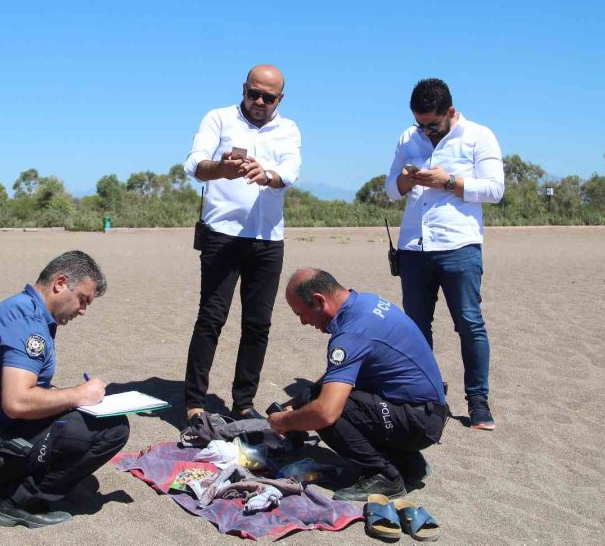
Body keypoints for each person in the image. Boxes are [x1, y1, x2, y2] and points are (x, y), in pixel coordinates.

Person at [0, 250, 130, 528]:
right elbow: (18, 402)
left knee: (76, 412)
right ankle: (14, 502)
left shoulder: (22, 308)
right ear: (60, 283)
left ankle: (2, 481)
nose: (83, 311)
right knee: (114, 428)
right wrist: (78, 394)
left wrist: (68, 398)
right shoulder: (28, 322)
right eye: (82, 300)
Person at [183, 64, 302, 422]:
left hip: (268, 240)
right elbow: (193, 163)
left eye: (268, 97)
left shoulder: (289, 129)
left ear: (280, 98)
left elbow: (292, 170)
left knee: (257, 324)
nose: (260, 102)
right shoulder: (219, 119)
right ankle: (193, 402)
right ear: (244, 89)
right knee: (211, 318)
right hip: (222, 235)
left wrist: (266, 175)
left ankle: (243, 401)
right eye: (254, 93)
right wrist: (221, 169)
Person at [385, 78, 505, 430]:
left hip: (459, 245)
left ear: (450, 112)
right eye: (419, 124)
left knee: (469, 323)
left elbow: (495, 189)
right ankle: (426, 396)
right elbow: (390, 189)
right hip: (414, 247)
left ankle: (478, 402)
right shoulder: (408, 138)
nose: (425, 131)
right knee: (416, 327)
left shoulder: (479, 135)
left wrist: (449, 182)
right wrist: (407, 180)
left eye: (432, 124)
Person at [269, 269, 448, 501]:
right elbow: (341, 374)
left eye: (301, 314)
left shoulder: (350, 335)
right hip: (426, 410)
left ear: (318, 300)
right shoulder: (366, 302)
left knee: (320, 407)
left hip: (418, 421)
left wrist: (283, 421)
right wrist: (298, 404)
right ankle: (409, 463)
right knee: (311, 396)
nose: (303, 322)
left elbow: (325, 412)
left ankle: (385, 476)